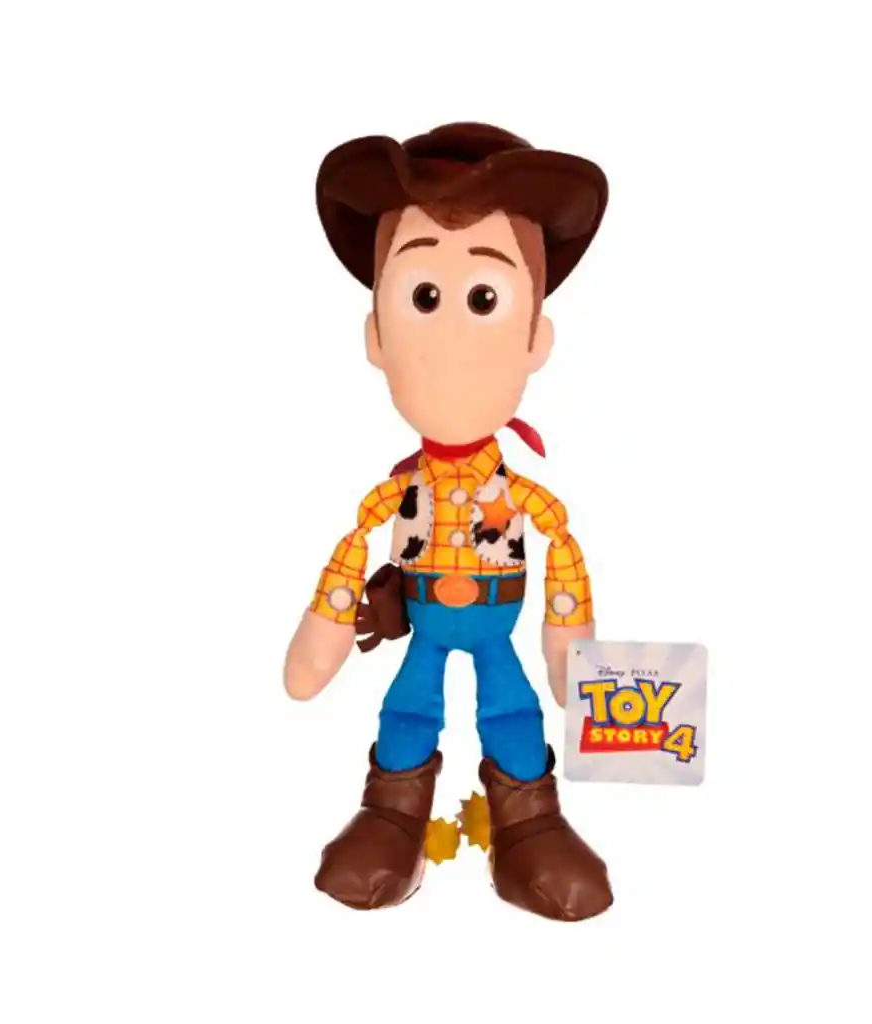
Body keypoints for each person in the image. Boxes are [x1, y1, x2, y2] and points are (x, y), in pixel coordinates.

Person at [284, 123, 612, 921]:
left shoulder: (526, 499)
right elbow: (349, 556)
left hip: (497, 624)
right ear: (378, 336)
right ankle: (392, 817)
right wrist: (328, 625)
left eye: (484, 301)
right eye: (423, 297)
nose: (453, 341)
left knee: (513, 709)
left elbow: (563, 555)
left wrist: (575, 657)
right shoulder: (395, 496)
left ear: (534, 339)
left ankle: (528, 825)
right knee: (408, 708)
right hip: (425, 622)